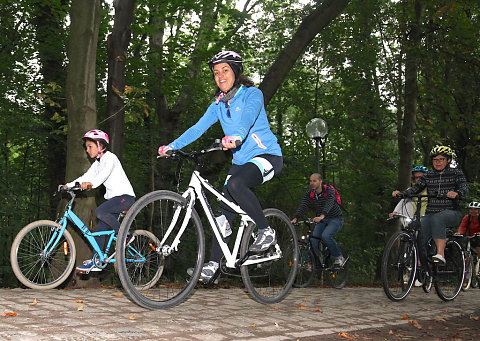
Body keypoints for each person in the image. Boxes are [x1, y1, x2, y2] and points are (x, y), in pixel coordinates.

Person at [158, 50, 283, 281]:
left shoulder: (252, 95)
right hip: (240, 162)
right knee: (221, 218)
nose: (220, 76)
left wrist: (236, 136)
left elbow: (247, 118)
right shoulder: (218, 104)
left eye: (225, 70)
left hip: (267, 156)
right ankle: (214, 265)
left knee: (236, 184)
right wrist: (172, 146)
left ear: (236, 72)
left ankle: (266, 230)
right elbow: (197, 128)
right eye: (216, 72)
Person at [59, 129, 135, 273]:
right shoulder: (97, 163)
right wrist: (67, 185)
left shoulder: (110, 158)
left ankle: (126, 235)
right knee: (100, 229)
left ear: (100, 145)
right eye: (86, 147)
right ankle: (97, 259)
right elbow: (85, 176)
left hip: (125, 198)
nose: (87, 150)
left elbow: (102, 176)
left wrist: (91, 184)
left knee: (100, 211)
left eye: (90, 146)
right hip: (114, 200)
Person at [392, 145, 469, 265]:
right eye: (435, 160)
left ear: (448, 160)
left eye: (441, 159)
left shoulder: (456, 173)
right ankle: (420, 268)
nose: (437, 162)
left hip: (452, 212)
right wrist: (402, 194)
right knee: (418, 233)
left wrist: (457, 193)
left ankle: (440, 253)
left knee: (438, 218)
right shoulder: (428, 175)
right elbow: (416, 188)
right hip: (430, 213)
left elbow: (464, 188)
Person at [291, 173, 345, 266]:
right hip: (322, 220)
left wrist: (322, 216)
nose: (312, 183)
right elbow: (303, 205)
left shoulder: (329, 190)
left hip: (335, 219)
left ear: (320, 181)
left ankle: (339, 257)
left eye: (314, 181)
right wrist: (296, 217)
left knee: (326, 236)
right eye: (310, 181)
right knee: (313, 240)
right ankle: (315, 265)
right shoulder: (310, 193)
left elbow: (330, 202)